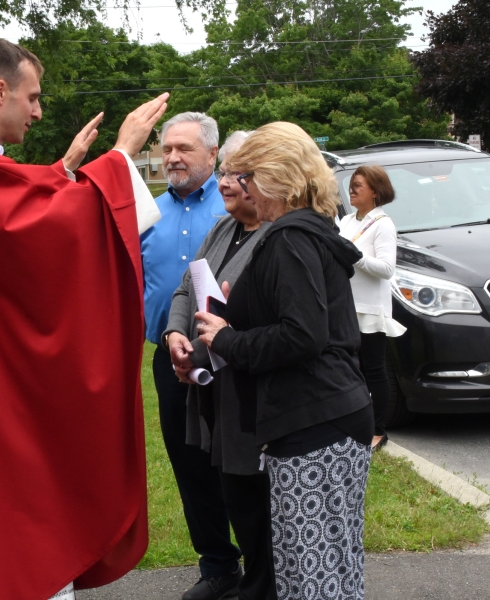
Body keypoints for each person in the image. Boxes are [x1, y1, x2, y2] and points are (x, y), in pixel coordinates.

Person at [0, 36, 167, 600]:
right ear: (0, 91)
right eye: (33, 97)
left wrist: (62, 172)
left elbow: (15, 216)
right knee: (17, 538)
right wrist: (120, 157)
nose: (39, 110)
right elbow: (38, 233)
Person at [195, 121, 373, 600]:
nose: (243, 188)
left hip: (315, 422)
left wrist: (226, 338)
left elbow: (303, 335)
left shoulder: (290, 237)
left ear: (273, 176)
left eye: (246, 177)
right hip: (326, 416)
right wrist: (236, 314)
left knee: (313, 577)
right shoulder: (309, 230)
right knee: (324, 568)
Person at [164, 130, 276, 600]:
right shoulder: (225, 228)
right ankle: (234, 575)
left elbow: (270, 321)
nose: (226, 183)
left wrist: (212, 344)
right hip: (204, 374)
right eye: (226, 172)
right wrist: (174, 334)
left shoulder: (280, 235)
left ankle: (264, 582)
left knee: (256, 495)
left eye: (236, 174)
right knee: (224, 486)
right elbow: (189, 287)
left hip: (251, 387)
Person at [141, 113, 242, 600]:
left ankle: (264, 560)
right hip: (170, 356)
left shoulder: (233, 210)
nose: (173, 158)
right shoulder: (147, 214)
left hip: (233, 355)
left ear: (213, 154)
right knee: (188, 460)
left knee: (238, 457)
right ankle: (218, 565)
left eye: (184, 148)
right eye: (166, 149)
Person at [338, 165, 406, 450]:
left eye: (359, 185)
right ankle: (353, 423)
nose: (352, 189)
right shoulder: (347, 221)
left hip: (370, 309)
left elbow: (387, 269)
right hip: (346, 308)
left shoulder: (383, 224)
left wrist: (356, 257)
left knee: (374, 370)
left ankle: (378, 430)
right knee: (348, 369)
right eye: (351, 184)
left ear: (376, 192)